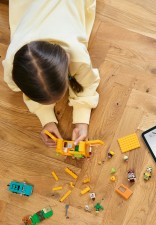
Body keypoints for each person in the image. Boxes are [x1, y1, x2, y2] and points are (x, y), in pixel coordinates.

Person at [2, 0, 100, 147]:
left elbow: (88, 83)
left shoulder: (77, 55)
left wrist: (82, 121)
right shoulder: (11, 65)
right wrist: (46, 119)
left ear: (68, 65)